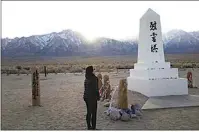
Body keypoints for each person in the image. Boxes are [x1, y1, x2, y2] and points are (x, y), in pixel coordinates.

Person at [83, 66, 100, 130]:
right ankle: (93, 127)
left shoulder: (86, 78)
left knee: (89, 112)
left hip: (86, 97)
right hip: (92, 97)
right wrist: (98, 96)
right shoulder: (94, 78)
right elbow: (96, 89)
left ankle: (89, 127)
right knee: (94, 112)